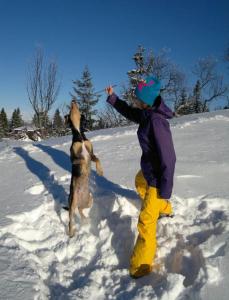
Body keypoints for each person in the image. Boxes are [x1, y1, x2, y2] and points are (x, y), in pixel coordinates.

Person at [105, 76, 176, 278]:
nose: (135, 100)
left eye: (138, 97)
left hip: (157, 178)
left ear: (146, 99)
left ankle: (141, 266)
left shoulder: (156, 121)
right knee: (138, 181)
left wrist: (164, 188)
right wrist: (113, 98)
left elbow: (169, 158)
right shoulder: (146, 113)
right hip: (147, 171)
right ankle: (164, 208)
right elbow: (129, 111)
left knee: (146, 222)